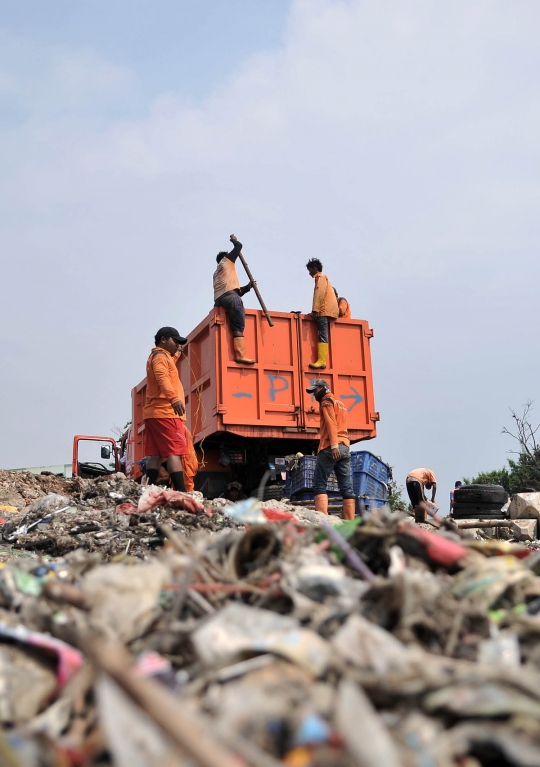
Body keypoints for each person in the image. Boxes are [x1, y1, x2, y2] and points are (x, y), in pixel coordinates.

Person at [143, 326, 189, 492]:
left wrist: (177, 354)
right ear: (163, 340)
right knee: (174, 452)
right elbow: (163, 377)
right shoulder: (161, 357)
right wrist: (174, 398)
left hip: (154, 414)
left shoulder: (158, 357)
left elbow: (166, 370)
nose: (177, 344)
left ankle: (148, 490)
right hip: (165, 412)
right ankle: (182, 493)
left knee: (155, 455)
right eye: (175, 341)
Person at [306, 379, 356, 520]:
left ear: (323, 388)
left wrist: (334, 445)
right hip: (345, 446)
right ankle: (349, 520)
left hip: (330, 446)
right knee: (346, 487)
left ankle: (322, 519)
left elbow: (331, 424)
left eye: (315, 391)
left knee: (319, 484)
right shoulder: (341, 404)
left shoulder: (326, 402)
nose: (314, 394)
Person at [214, 234, 254, 364]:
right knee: (238, 325)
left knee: (234, 301)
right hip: (231, 297)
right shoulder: (227, 261)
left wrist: (247, 288)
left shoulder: (217, 273)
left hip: (220, 299)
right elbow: (239, 246)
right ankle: (240, 355)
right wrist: (233, 240)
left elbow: (231, 291)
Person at [306, 258, 339, 369]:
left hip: (323, 310)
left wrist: (315, 310)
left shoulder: (320, 277)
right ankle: (321, 360)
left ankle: (321, 361)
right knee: (323, 334)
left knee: (322, 335)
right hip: (327, 309)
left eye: (310, 270)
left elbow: (319, 294)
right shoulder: (324, 278)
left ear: (315, 269)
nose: (309, 273)